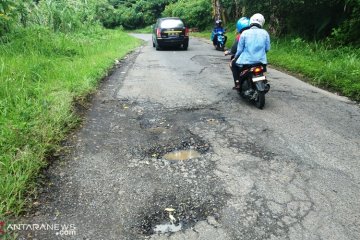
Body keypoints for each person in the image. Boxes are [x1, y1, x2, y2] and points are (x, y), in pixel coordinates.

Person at [232, 13, 270, 90]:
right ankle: (264, 81)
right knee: (264, 71)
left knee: (233, 64)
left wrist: (235, 57)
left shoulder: (245, 33)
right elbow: (267, 48)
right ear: (262, 22)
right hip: (261, 61)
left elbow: (239, 50)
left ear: (251, 21)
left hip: (247, 62)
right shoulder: (265, 33)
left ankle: (237, 83)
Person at [225, 17, 250, 89]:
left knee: (233, 64)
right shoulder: (259, 33)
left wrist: (232, 54)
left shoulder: (240, 36)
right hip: (259, 59)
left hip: (245, 58)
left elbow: (234, 49)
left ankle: (237, 83)